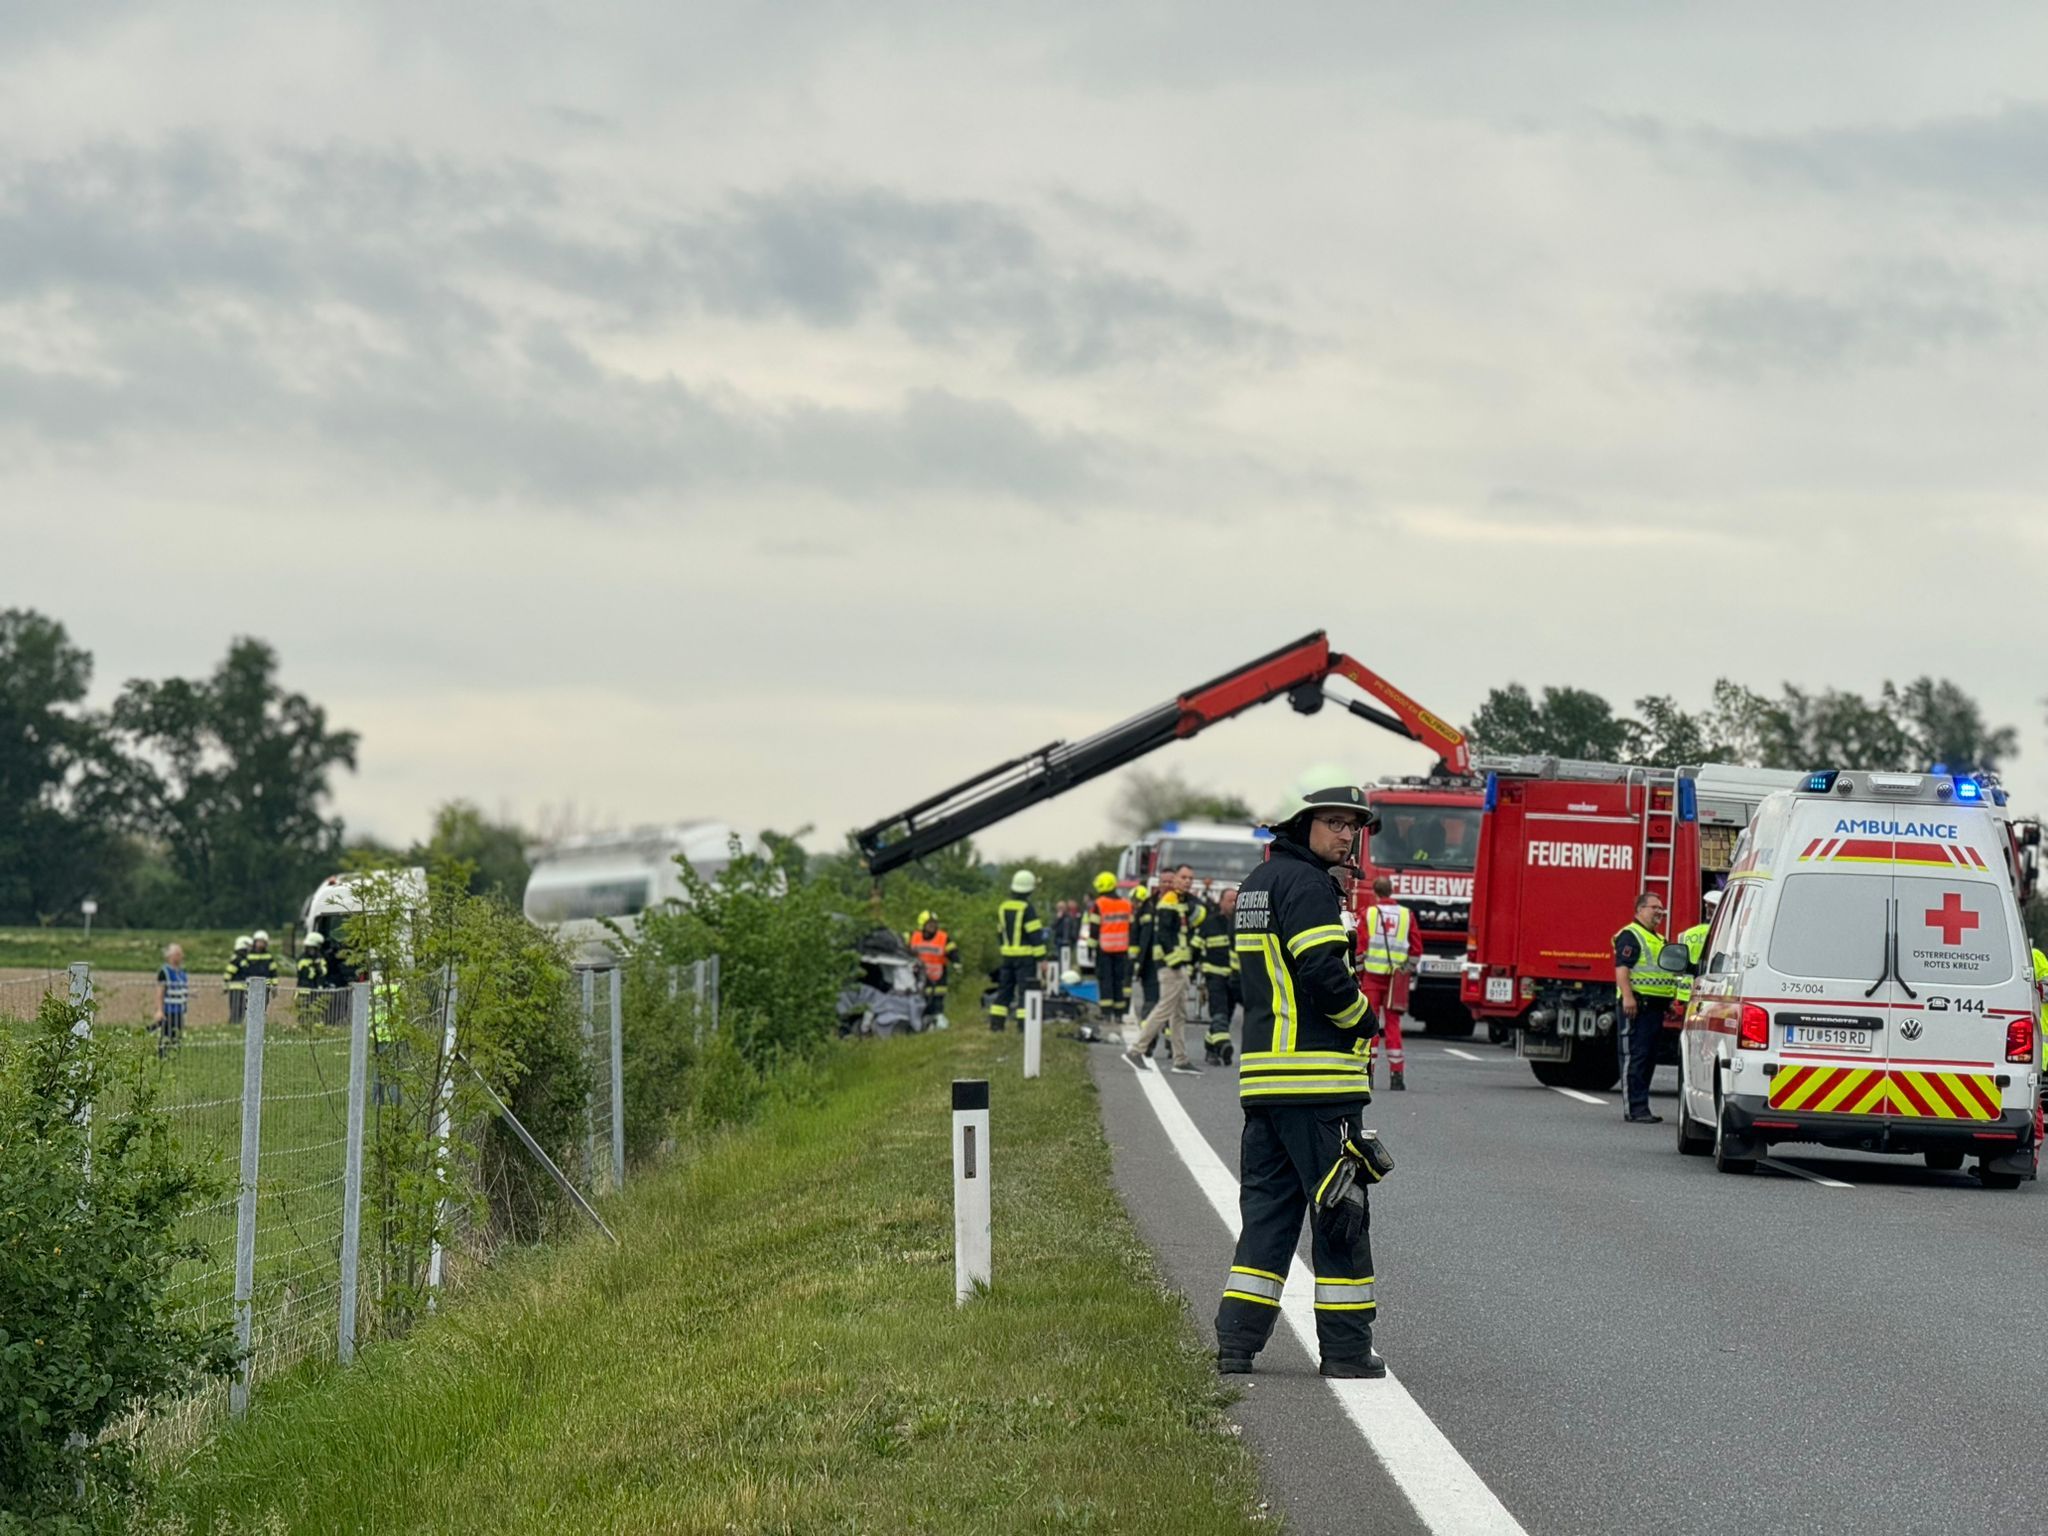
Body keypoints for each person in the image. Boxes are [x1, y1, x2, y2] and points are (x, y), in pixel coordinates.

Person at [1214, 785, 1384, 1379]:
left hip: (1264, 1080)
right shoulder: (1310, 885)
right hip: (1318, 1081)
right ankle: (1345, 1352)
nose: (1346, 836)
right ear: (1302, 824)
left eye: (1352, 827)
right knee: (1342, 1213)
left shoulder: (1260, 884)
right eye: (1335, 824)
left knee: (1267, 1214)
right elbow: (1320, 969)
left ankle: (1236, 1344)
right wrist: (1364, 1019)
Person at [1126, 865, 1199, 1074]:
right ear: (1175, 879)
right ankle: (1136, 1050)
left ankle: (1180, 1059)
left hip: (1178, 965)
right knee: (1165, 1009)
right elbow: (1164, 934)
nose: (1187, 881)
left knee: (1179, 1013)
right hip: (1171, 966)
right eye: (1183, 877)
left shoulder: (1180, 901)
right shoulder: (1169, 901)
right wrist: (1175, 962)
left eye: (1190, 878)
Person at [1613, 891, 1677, 1124]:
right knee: (1635, 1057)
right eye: (1654, 907)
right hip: (1637, 1007)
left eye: (1661, 908)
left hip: (1655, 1008)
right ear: (1639, 910)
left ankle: (1642, 1107)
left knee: (1648, 1058)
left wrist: (1667, 1001)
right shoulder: (1631, 936)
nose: (1659, 912)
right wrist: (1628, 997)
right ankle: (1634, 1109)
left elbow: (1661, 974)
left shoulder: (1657, 939)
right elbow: (1622, 969)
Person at [1358, 876, 1413, 1091]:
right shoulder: (1406, 915)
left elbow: (1360, 949)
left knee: (1370, 1025)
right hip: (1395, 980)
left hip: (1372, 977)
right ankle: (1397, 1075)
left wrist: (1359, 973)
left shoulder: (1369, 914)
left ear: (1375, 892)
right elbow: (1415, 949)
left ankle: (1368, 1073)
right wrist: (1405, 970)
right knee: (1393, 1025)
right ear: (1392, 891)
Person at [990, 871, 1046, 1032]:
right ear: (1029, 889)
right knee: (1025, 992)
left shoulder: (1003, 907)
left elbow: (1000, 932)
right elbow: (1034, 934)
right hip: (1025, 958)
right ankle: (1023, 1026)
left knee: (1004, 990)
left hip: (1007, 957)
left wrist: (1004, 949)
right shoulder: (1027, 908)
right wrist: (1042, 957)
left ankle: (996, 1024)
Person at [1083, 872, 1134, 1024]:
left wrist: (1090, 949)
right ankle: (1119, 1014)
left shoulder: (1100, 904)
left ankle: (1106, 1013)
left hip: (1104, 949)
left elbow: (1094, 929)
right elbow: (1132, 928)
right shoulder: (1126, 904)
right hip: (1123, 949)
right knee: (1119, 981)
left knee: (1106, 981)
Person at [1200, 887, 1240, 1065]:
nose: (1233, 904)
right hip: (1214, 976)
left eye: (1235, 901)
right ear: (1220, 902)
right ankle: (1224, 1045)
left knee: (1227, 1015)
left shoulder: (1240, 924)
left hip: (1233, 978)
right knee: (1220, 1013)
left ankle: (1210, 1049)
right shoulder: (1210, 923)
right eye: (1229, 900)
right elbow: (1197, 948)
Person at [1670, 889, 1722, 1016]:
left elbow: (1678, 964)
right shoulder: (1725, 933)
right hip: (1714, 991)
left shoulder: (1687, 934)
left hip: (1687, 993)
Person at [907, 911, 961, 1026]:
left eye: (935, 923)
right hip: (918, 975)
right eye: (930, 924)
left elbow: (953, 951)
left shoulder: (943, 937)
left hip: (938, 975)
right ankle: (921, 1019)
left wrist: (956, 962)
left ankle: (938, 1018)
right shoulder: (913, 936)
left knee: (937, 997)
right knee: (920, 997)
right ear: (922, 925)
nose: (933, 926)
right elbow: (900, 945)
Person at [153, 943, 189, 1059]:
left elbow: (180, 989)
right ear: (170, 956)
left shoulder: (182, 972)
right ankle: (162, 1056)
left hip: (180, 1010)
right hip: (169, 1010)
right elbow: (160, 992)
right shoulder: (164, 972)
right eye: (178, 954)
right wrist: (159, 1010)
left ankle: (174, 1056)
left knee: (177, 1035)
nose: (181, 956)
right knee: (166, 1034)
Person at [1130, 883, 1158, 1025]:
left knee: (1151, 995)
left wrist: (1138, 962)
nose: (1132, 904)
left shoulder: (1145, 913)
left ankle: (1147, 1025)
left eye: (1134, 901)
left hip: (1149, 961)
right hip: (1150, 960)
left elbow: (1144, 939)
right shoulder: (1146, 911)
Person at [224, 934, 252, 1024]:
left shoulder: (243, 959)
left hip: (242, 988)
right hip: (236, 988)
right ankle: (233, 1024)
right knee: (236, 1010)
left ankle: (237, 1024)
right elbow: (228, 973)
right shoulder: (237, 959)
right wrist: (226, 985)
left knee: (241, 1009)